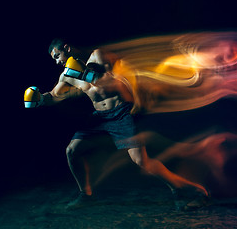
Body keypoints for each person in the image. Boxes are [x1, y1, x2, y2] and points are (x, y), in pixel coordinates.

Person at [24, 38, 209, 210]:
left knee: (141, 161)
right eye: (54, 59)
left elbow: (119, 80)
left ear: (67, 48)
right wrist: (39, 99)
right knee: (72, 150)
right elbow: (55, 96)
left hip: (122, 113)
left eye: (57, 56)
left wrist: (87, 74)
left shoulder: (98, 56)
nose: (57, 61)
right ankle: (86, 196)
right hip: (101, 118)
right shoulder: (67, 75)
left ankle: (191, 190)